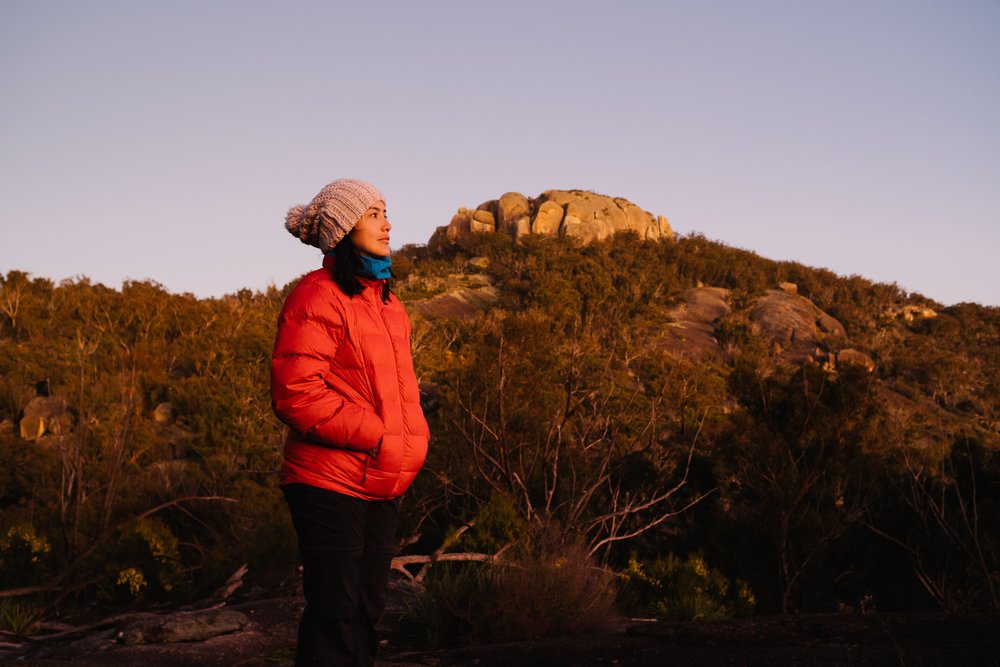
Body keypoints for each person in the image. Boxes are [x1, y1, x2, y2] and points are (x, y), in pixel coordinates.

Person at [271, 178, 429, 666]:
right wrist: (379, 435)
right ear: (343, 228)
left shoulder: (388, 304)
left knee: (366, 612)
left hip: (380, 483)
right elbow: (296, 394)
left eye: (386, 212)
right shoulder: (316, 296)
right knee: (335, 614)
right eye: (375, 214)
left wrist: (408, 442)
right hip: (327, 482)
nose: (388, 223)